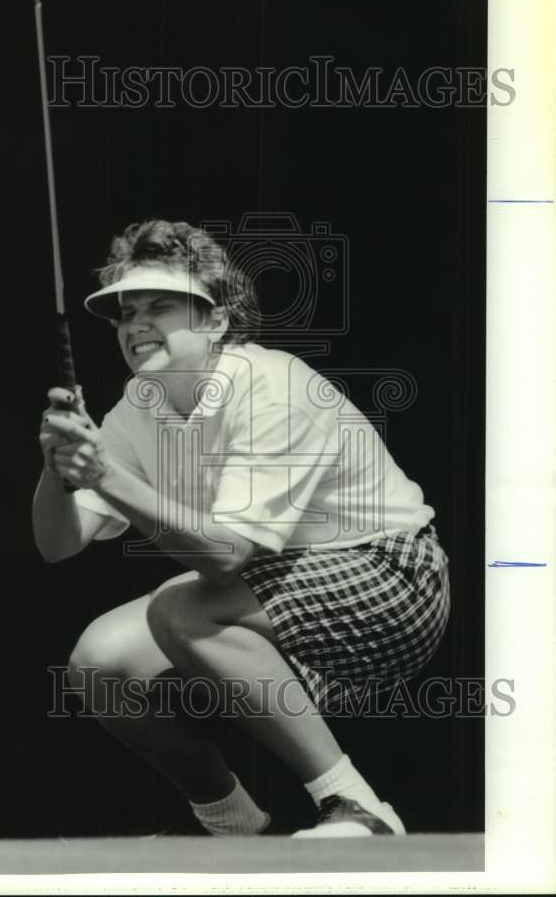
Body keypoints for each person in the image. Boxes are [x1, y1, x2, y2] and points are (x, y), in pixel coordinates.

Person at [33, 219, 450, 837]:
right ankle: (233, 826)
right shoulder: (135, 407)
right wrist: (58, 470)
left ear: (218, 322)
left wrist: (106, 477)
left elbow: (224, 557)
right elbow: (57, 544)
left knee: (181, 607)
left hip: (395, 587)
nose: (135, 324)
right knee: (98, 661)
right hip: (274, 596)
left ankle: (358, 805)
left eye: (161, 306)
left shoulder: (272, 387)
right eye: (126, 313)